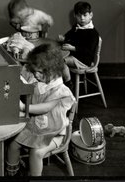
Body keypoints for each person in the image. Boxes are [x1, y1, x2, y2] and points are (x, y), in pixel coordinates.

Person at [6, 44, 75, 176]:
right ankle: (12, 173)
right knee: (13, 144)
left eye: (41, 72)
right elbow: (24, 73)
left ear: (54, 71)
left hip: (54, 132)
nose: (36, 75)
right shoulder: (38, 77)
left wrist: (22, 107)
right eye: (35, 71)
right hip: (35, 127)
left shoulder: (59, 89)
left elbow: (45, 108)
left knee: (36, 153)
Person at [58, 1, 100, 87]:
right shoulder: (77, 26)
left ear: (91, 15)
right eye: (79, 15)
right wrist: (64, 38)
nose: (82, 18)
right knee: (56, 57)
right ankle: (59, 83)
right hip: (75, 56)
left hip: (84, 60)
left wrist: (73, 48)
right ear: (75, 15)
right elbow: (69, 35)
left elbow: (88, 50)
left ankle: (68, 83)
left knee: (60, 61)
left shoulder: (93, 33)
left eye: (85, 15)